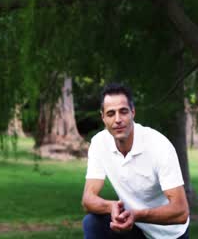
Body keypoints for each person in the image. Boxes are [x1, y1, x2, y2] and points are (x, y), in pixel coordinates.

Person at [81, 83, 190, 239]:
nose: (117, 119)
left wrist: (137, 214)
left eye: (123, 111)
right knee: (92, 223)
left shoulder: (159, 145)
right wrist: (111, 206)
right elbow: (88, 199)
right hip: (134, 228)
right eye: (111, 113)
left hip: (169, 234)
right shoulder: (99, 143)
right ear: (103, 117)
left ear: (133, 112)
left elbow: (181, 211)